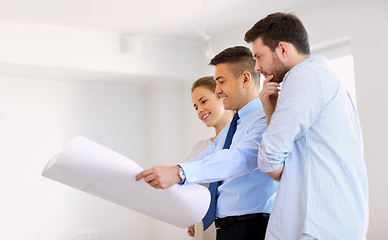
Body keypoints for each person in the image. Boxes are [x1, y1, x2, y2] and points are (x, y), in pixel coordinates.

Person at [244, 12, 369, 240]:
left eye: (259, 56)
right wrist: (270, 109)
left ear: (282, 49)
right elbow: (284, 162)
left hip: (319, 225)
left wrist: (272, 160)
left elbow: (269, 160)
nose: (257, 67)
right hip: (332, 222)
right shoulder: (322, 76)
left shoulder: (303, 77)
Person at [136, 46, 278, 240]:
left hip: (253, 226)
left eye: (221, 82)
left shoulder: (266, 118)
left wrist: (179, 173)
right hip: (227, 228)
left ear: (245, 79)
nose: (218, 90)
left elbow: (240, 158)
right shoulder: (232, 129)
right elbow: (206, 161)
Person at [187, 76, 234, 239]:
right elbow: (191, 192)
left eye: (203, 101)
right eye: (195, 107)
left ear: (222, 96)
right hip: (204, 231)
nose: (199, 110)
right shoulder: (197, 149)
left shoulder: (243, 141)